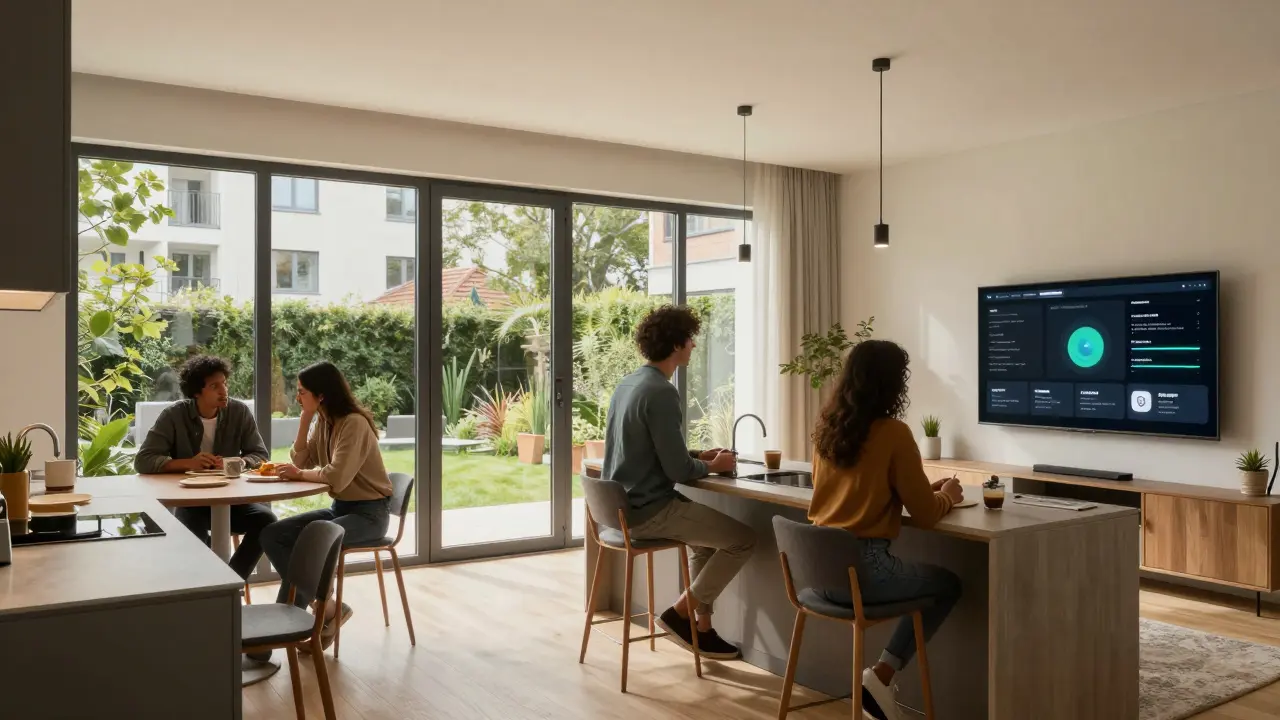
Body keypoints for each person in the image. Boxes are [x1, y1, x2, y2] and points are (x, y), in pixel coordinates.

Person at [807, 339, 964, 720]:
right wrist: (949, 497)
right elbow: (926, 517)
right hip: (864, 571)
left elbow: (858, 488)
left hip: (817, 574)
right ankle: (881, 673)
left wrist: (917, 489)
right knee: (949, 584)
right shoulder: (894, 433)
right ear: (894, 384)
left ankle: (879, 679)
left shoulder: (828, 427)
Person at [602, 305, 755, 661]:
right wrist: (713, 467)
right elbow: (676, 470)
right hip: (648, 509)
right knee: (744, 540)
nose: (694, 346)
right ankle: (679, 613)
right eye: (691, 339)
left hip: (623, 509)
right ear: (676, 345)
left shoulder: (629, 383)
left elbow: (655, 448)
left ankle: (702, 631)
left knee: (704, 545)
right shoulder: (662, 392)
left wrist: (701, 455)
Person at [260, 361, 393, 648]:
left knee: (311, 544)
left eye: (302, 392)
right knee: (272, 534)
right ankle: (328, 607)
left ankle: (272, 641)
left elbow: (338, 477)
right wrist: (305, 419)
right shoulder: (324, 421)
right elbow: (301, 461)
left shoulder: (353, 424)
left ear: (322, 394)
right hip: (341, 510)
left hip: (370, 515)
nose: (297, 398)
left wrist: (299, 474)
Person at [135, 355, 275, 580]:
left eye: (224, 383)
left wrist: (240, 462)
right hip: (192, 503)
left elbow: (259, 455)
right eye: (214, 386)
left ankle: (231, 582)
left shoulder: (239, 412)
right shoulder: (174, 415)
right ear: (197, 392)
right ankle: (205, 590)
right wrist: (189, 463)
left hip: (231, 500)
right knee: (190, 538)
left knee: (266, 521)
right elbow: (143, 460)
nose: (224, 390)